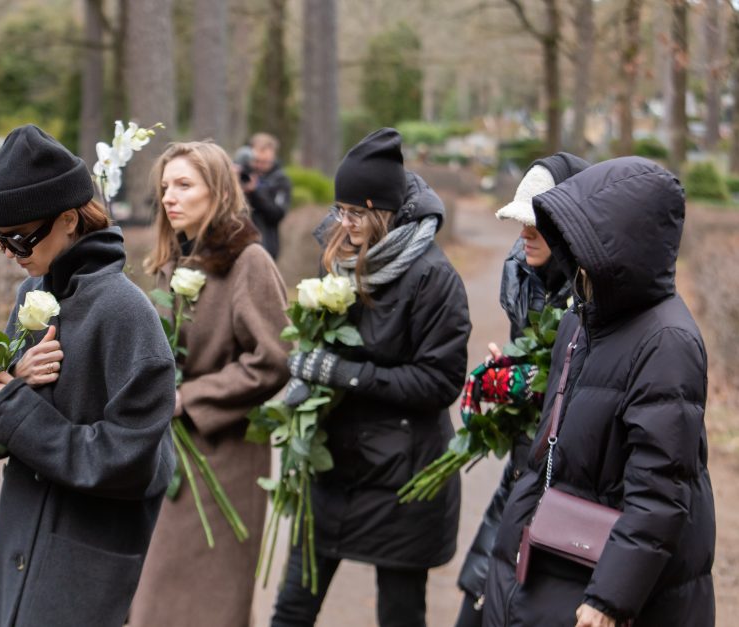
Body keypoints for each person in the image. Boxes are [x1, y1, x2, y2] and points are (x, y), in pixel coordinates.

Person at [482, 157, 716, 626]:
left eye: (577, 232)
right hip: (558, 562)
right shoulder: (581, 319)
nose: (566, 244)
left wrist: (611, 597)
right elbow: (548, 456)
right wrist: (507, 567)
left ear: (619, 243)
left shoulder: (666, 341)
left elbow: (660, 489)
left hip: (617, 587)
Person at [0, 124, 176, 627]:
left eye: (19, 238)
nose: (9, 253)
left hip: (80, 563)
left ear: (68, 219)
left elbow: (133, 462)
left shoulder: (126, 312)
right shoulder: (34, 298)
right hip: (19, 543)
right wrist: (12, 383)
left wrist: (17, 412)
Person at [271, 128, 472, 626]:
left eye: (357, 213)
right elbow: (328, 343)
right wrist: (308, 367)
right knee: (291, 610)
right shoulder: (341, 260)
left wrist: (346, 373)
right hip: (333, 469)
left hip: (402, 479)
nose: (346, 223)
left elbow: (439, 383)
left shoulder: (433, 277)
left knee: (399, 616)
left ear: (384, 210)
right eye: (340, 210)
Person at [128, 141, 290, 626]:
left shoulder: (249, 261)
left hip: (227, 457)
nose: (169, 198)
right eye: (164, 188)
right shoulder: (171, 262)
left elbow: (275, 358)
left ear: (217, 190)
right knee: (154, 599)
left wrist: (189, 397)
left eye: (183, 185)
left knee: (208, 602)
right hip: (171, 457)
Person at [454, 152, 590, 627]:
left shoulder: (593, 293)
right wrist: (509, 373)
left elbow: (588, 391)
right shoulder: (524, 275)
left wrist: (537, 384)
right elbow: (532, 361)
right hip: (522, 469)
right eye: (522, 221)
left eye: (538, 222)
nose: (525, 233)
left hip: (567, 489)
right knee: (478, 596)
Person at [236, 132, 291, 259]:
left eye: (265, 162)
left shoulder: (280, 180)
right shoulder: (241, 173)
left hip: (265, 244)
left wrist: (255, 192)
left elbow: (277, 214)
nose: (259, 166)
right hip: (238, 244)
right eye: (256, 161)